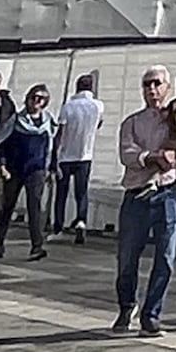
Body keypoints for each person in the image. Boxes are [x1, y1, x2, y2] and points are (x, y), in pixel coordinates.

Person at [112, 68, 176, 334]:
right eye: (147, 84)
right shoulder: (132, 122)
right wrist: (152, 157)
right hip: (137, 194)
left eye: (157, 83)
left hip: (167, 192)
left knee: (166, 256)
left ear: (167, 87)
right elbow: (127, 153)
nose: (152, 89)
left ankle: (151, 314)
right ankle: (126, 305)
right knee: (127, 257)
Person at [0, 84, 54, 258]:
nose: (36, 101)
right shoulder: (16, 121)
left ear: (45, 102)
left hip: (36, 170)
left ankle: (37, 246)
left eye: (40, 98)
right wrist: (2, 166)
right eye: (33, 97)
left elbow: (51, 147)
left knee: (35, 207)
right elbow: (2, 145)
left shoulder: (48, 122)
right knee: (7, 207)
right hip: (14, 169)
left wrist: (51, 168)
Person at [50, 73, 110, 236]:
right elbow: (99, 124)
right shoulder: (98, 105)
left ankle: (58, 226)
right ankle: (81, 222)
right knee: (81, 192)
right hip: (85, 155)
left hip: (65, 156)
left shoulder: (68, 106)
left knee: (61, 194)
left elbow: (60, 133)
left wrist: (53, 157)